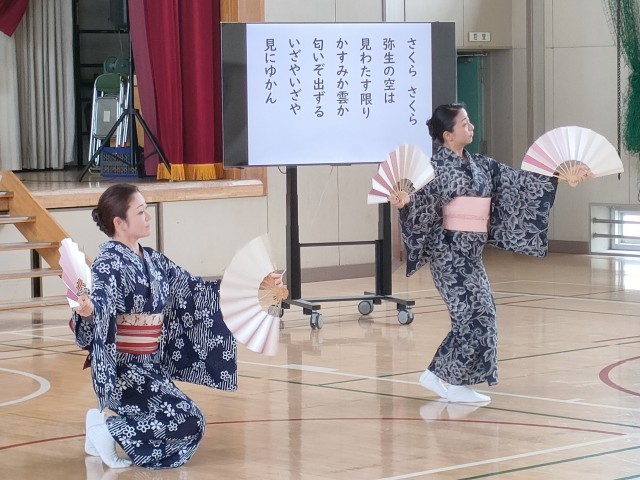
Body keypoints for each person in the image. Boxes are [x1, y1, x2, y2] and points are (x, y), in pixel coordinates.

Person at [70, 183, 281, 469]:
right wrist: (89, 312)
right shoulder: (107, 265)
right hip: (123, 371)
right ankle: (107, 430)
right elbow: (100, 303)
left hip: (151, 366)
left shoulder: (154, 260)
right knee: (190, 420)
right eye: (140, 212)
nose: (148, 217)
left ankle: (99, 425)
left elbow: (195, 291)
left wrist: (255, 286)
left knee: (186, 420)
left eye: (146, 210)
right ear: (119, 222)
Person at [391, 103, 564, 403]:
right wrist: (406, 203)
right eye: (464, 123)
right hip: (448, 256)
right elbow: (421, 205)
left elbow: (518, 182)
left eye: (469, 122)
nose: (471, 127)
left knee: (484, 316)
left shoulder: (482, 165)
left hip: (472, 256)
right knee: (469, 320)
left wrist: (556, 175)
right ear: (448, 135)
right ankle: (451, 381)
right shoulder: (433, 170)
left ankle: (442, 377)